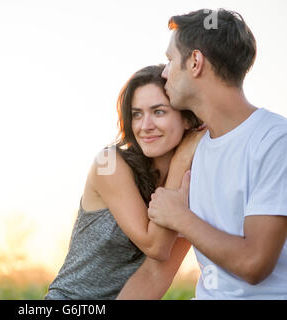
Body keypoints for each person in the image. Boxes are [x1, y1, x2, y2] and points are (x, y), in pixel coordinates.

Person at [119, 9, 287, 300]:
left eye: (171, 60)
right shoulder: (189, 153)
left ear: (195, 62)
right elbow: (155, 272)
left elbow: (254, 264)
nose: (164, 72)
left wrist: (181, 218)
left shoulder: (274, 141)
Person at [44, 64, 204, 300]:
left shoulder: (194, 184)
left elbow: (157, 274)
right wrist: (181, 159)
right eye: (136, 114)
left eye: (158, 112)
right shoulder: (108, 163)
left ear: (187, 119)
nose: (144, 126)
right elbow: (155, 246)